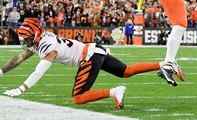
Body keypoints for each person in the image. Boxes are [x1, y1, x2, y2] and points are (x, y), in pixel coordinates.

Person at [0, 18, 161, 109]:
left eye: (27, 38)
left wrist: (22, 88)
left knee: (78, 98)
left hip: (89, 57)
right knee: (126, 71)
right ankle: (162, 64)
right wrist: (1, 72)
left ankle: (115, 91)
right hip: (94, 50)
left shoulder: (47, 46)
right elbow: (19, 58)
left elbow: (39, 71)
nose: (25, 42)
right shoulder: (41, 40)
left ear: (35, 35)